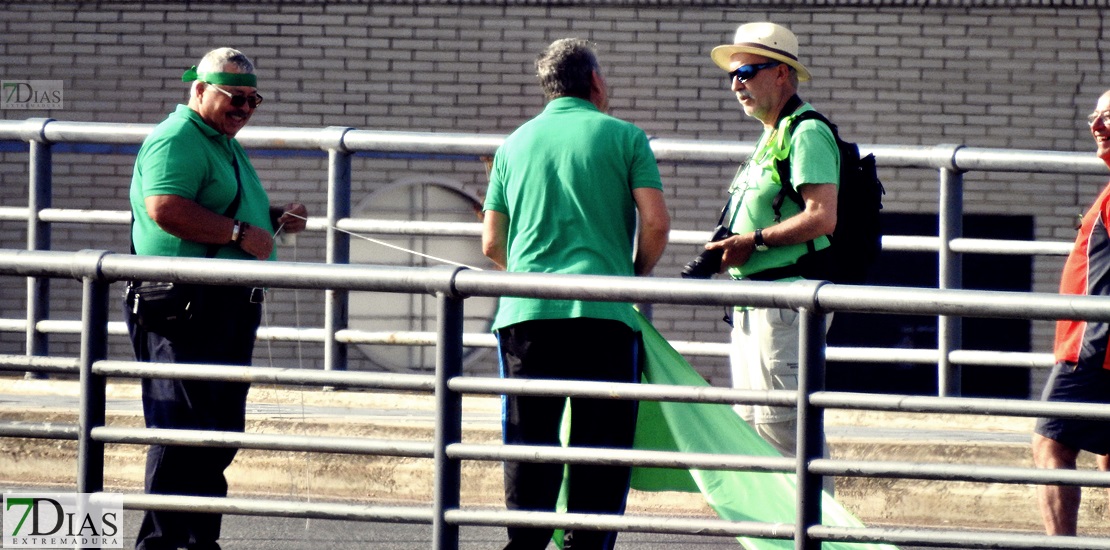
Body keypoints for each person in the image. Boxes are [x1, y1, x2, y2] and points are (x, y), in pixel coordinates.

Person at [481, 38, 670, 550]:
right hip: (604, 314)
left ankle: (525, 544)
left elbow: (491, 241)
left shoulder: (513, 144)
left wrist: (527, 272)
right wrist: (631, 275)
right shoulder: (626, 137)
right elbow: (655, 223)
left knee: (528, 442)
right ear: (595, 82)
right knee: (601, 448)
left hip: (527, 314)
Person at [124, 47, 308, 550]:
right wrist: (239, 232)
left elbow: (221, 210)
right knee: (182, 429)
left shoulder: (222, 142)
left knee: (218, 429)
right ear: (200, 90)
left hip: (222, 304)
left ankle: (199, 540)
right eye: (235, 97)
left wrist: (273, 219)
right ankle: (162, 543)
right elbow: (165, 207)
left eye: (254, 100)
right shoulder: (177, 138)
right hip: (183, 305)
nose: (245, 109)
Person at [703, 22, 839, 458]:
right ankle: (775, 528)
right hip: (755, 303)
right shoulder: (773, 133)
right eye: (732, 76)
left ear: (782, 73)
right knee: (755, 431)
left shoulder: (806, 131)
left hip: (784, 304)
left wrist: (754, 242)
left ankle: (816, 528)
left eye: (747, 72)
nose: (736, 85)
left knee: (785, 431)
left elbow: (822, 217)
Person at [1031, 89, 1110, 537]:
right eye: (1094, 116)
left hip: (1094, 345)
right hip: (1097, 341)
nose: (1096, 126)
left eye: (1109, 118)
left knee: (1051, 445)